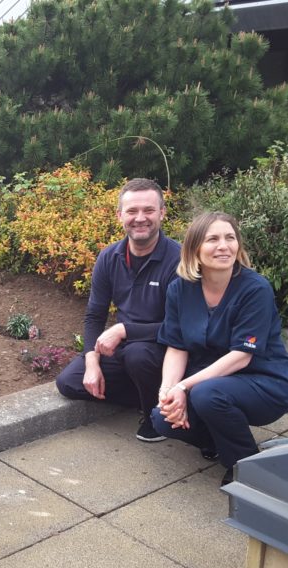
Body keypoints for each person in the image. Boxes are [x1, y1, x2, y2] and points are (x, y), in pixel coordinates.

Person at [151, 212, 288, 485]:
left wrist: (184, 387)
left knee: (207, 394)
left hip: (262, 381)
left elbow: (241, 357)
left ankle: (244, 465)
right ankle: (220, 440)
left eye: (230, 238)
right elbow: (176, 347)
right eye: (212, 239)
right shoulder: (179, 290)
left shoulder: (255, 289)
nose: (223, 245)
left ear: (238, 246)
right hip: (210, 383)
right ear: (195, 249)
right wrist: (168, 391)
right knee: (161, 417)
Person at [56, 178, 181, 441]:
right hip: (125, 349)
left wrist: (124, 329)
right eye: (132, 211)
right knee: (69, 382)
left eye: (148, 210)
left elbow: (179, 327)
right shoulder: (109, 257)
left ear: (162, 213)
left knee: (138, 354)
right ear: (119, 215)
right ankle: (149, 396)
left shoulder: (178, 260)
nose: (140, 218)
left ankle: (155, 416)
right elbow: (95, 314)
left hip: (165, 350)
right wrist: (92, 361)